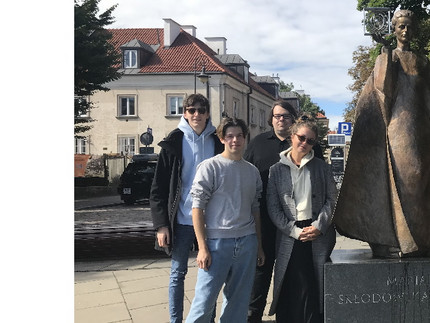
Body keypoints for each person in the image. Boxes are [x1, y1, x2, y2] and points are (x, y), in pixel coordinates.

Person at [334, 9, 430, 257]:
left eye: (409, 26)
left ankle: (418, 238)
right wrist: (385, 54)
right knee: (407, 173)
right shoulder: (388, 57)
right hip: (397, 124)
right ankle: (400, 239)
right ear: (395, 29)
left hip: (420, 127)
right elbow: (381, 90)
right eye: (401, 26)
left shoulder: (423, 62)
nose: (406, 31)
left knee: (420, 177)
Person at [244, 101, 323, 323]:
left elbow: (320, 182)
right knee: (261, 274)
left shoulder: (307, 144)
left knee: (293, 276)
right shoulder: (257, 144)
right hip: (266, 223)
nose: (281, 119)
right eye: (277, 116)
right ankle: (253, 316)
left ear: (293, 119)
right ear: (271, 119)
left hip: (297, 225)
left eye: (286, 116)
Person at [150, 93, 223, 323]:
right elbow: (158, 187)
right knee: (177, 274)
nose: (196, 115)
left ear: (208, 113)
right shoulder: (174, 142)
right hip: (181, 220)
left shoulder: (217, 141)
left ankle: (207, 319)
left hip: (211, 221)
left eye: (201, 110)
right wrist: (161, 225)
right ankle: (176, 321)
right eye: (191, 110)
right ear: (185, 113)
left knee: (210, 275)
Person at [185, 117, 265, 323]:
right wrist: (202, 247)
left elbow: (255, 209)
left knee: (238, 304)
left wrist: (259, 246)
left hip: (247, 242)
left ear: (245, 138)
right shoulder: (209, 167)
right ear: (222, 138)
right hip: (217, 244)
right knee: (203, 304)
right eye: (230, 136)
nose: (235, 140)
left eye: (239, 136)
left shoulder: (252, 171)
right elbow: (197, 208)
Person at [266, 116, 337, 322]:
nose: (305, 143)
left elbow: (332, 199)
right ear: (292, 136)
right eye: (302, 138)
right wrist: (294, 231)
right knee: (292, 285)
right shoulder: (276, 170)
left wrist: (319, 226)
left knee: (313, 286)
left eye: (311, 141)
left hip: (317, 233)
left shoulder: (321, 168)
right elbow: (273, 207)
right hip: (291, 234)